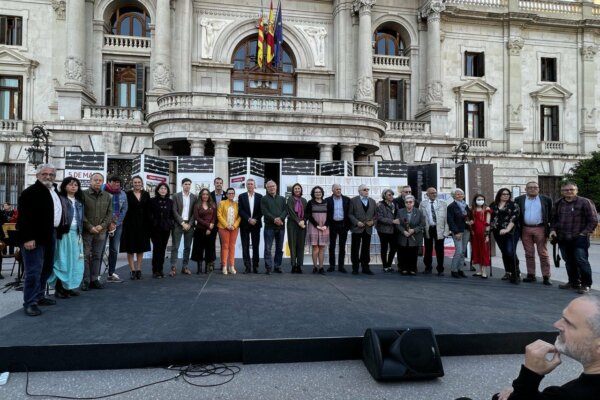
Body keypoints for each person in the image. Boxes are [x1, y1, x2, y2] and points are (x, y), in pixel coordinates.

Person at [492, 296, 600, 400]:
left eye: (569, 323)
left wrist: (529, 377)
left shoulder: (566, 396)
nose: (556, 324)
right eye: (562, 318)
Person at [17, 164, 62, 316]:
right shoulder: (30, 192)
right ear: (37, 176)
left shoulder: (53, 191)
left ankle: (39, 296)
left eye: (51, 174)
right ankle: (30, 303)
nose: (48, 176)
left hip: (50, 234)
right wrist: (28, 238)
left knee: (46, 268)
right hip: (34, 237)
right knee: (34, 271)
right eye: (44, 174)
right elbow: (24, 218)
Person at [550, 182, 597, 294]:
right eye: (566, 190)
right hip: (563, 238)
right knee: (569, 261)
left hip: (579, 238)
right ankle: (574, 282)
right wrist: (553, 230)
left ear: (576, 190)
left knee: (581, 261)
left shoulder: (585, 202)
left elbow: (593, 220)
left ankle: (586, 284)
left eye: (571, 189)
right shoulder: (558, 203)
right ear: (562, 192)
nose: (569, 191)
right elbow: (554, 219)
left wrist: (583, 233)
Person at [49, 177, 84, 298]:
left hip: (76, 234)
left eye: (76, 185)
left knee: (75, 262)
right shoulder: (60, 199)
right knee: (62, 260)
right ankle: (59, 288)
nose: (73, 187)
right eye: (70, 184)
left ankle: (69, 286)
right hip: (64, 233)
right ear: (64, 186)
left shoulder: (79, 201)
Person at [515, 181, 553, 286]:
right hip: (525, 229)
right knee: (529, 253)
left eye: (535, 187)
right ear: (525, 189)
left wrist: (551, 229)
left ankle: (546, 276)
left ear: (538, 189)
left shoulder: (546, 199)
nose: (533, 189)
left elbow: (551, 215)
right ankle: (531, 275)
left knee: (543, 253)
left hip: (540, 228)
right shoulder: (519, 200)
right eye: (530, 187)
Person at [82, 173, 112, 291]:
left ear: (102, 182)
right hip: (87, 231)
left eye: (100, 180)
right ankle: (85, 281)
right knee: (85, 256)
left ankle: (94, 279)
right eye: (95, 180)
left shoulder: (107, 196)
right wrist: (89, 226)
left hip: (101, 231)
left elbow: (109, 214)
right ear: (90, 181)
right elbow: (80, 213)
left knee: (97, 256)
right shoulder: (83, 194)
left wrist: (101, 226)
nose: (98, 182)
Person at [120, 175, 151, 280]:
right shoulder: (127, 194)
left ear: (142, 183)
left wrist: (149, 224)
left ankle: (139, 270)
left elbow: (148, 210)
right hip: (129, 224)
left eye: (139, 182)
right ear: (132, 183)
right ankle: (132, 270)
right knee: (130, 248)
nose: (137, 184)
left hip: (143, 224)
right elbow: (123, 208)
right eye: (135, 182)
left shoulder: (146, 194)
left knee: (140, 248)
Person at [490, 188, 521, 284]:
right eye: (503, 194)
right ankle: (508, 272)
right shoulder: (493, 205)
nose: (506, 196)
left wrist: (507, 229)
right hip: (497, 232)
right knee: (504, 251)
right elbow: (490, 218)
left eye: (507, 194)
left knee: (510, 251)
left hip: (511, 232)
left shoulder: (514, 205)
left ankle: (516, 272)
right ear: (499, 195)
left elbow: (514, 218)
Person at [103, 175, 128, 282]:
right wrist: (107, 223)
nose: (117, 184)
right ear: (109, 182)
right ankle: (95, 275)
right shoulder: (102, 191)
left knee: (114, 249)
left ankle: (111, 273)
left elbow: (124, 210)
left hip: (117, 225)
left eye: (118, 182)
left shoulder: (122, 194)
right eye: (114, 182)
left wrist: (115, 223)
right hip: (102, 225)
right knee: (100, 250)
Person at [419, 187, 449, 275]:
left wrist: (446, 231)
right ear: (427, 194)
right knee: (428, 249)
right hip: (428, 229)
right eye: (432, 193)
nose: (434, 194)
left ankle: (440, 269)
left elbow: (447, 219)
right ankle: (428, 268)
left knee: (440, 250)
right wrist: (421, 230)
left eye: (435, 192)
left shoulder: (443, 204)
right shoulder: (423, 204)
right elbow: (420, 218)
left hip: (439, 229)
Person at [170, 178, 197, 275]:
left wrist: (189, 224)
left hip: (189, 225)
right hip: (178, 224)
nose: (187, 186)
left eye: (189, 184)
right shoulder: (175, 196)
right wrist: (182, 223)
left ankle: (185, 267)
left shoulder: (194, 197)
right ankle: (173, 267)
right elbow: (174, 211)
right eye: (185, 184)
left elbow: (194, 212)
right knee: (175, 247)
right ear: (182, 185)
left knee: (187, 247)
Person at [348, 184, 377, 275]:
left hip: (368, 229)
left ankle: (365, 267)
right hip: (357, 228)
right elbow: (350, 214)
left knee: (366, 249)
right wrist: (357, 222)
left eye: (368, 189)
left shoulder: (372, 201)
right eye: (364, 189)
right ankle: (355, 268)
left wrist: (373, 222)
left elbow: (376, 215)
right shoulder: (353, 200)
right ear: (359, 191)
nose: (366, 191)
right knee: (355, 249)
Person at [261, 180, 287, 274]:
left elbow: (286, 210)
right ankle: (268, 267)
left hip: (281, 227)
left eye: (273, 186)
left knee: (279, 248)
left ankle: (277, 266)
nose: (272, 188)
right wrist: (275, 219)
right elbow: (264, 211)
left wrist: (281, 218)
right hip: (269, 227)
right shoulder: (264, 199)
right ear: (267, 188)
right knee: (268, 248)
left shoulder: (282, 199)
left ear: (276, 187)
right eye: (269, 186)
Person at [148, 183, 174, 278]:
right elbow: (149, 214)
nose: (163, 190)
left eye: (165, 188)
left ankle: (161, 269)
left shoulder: (170, 202)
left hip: (166, 228)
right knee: (157, 248)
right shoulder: (152, 201)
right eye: (161, 188)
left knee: (163, 249)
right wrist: (153, 223)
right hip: (155, 228)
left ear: (167, 191)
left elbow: (171, 215)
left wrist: (170, 223)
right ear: (158, 190)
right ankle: (155, 270)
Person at [238, 178, 263, 274]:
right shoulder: (241, 196)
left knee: (256, 246)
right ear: (246, 185)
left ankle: (255, 266)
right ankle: (247, 267)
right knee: (245, 246)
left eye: (251, 184)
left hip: (256, 224)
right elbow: (240, 210)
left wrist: (254, 219)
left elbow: (261, 210)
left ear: (254, 185)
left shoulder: (260, 197)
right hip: (245, 224)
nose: (250, 185)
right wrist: (249, 219)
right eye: (248, 184)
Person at [397, 195, 426, 275]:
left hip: (415, 236)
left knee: (413, 253)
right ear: (404, 203)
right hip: (403, 236)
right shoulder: (400, 211)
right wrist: (404, 231)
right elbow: (397, 224)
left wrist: (414, 230)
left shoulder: (419, 212)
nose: (408, 203)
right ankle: (404, 268)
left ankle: (413, 268)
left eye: (410, 202)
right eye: (407, 202)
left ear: (413, 203)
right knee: (403, 253)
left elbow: (422, 224)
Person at [325, 184, 351, 273]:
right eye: (336, 189)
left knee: (342, 246)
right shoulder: (327, 200)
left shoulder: (347, 199)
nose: (338, 191)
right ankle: (332, 266)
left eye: (339, 189)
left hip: (343, 225)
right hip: (332, 225)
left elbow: (350, 212)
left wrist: (348, 226)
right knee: (332, 246)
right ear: (332, 190)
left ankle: (341, 266)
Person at [191, 188, 217, 274]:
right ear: (201, 195)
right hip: (199, 230)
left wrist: (209, 228)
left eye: (207, 194)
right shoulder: (197, 205)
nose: (205, 196)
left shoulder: (213, 204)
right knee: (199, 249)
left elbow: (214, 217)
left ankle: (206, 268)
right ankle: (199, 269)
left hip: (210, 231)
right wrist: (208, 225)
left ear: (209, 195)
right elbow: (197, 217)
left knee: (209, 249)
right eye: (203, 194)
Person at [447, 188, 470, 279]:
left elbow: (469, 216)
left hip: (466, 230)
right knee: (459, 251)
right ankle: (454, 270)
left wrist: (470, 221)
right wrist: (456, 232)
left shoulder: (466, 205)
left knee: (463, 251)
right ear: (454, 196)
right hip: (458, 231)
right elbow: (450, 221)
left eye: (461, 194)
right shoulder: (451, 206)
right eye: (457, 194)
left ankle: (460, 269)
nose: (460, 195)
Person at [217, 187, 241, 275]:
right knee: (225, 246)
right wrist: (226, 225)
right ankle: (224, 266)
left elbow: (239, 216)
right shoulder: (222, 203)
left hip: (234, 229)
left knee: (232, 246)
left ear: (234, 195)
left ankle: (231, 266)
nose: (231, 195)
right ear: (226, 194)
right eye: (229, 193)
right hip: (223, 228)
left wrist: (234, 226)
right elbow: (219, 215)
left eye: (232, 193)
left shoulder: (237, 204)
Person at [306, 185, 329, 274]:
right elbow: (308, 215)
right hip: (313, 227)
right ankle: (315, 267)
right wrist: (317, 225)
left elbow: (330, 215)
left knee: (322, 248)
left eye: (319, 192)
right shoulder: (310, 202)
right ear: (313, 194)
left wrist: (325, 225)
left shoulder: (326, 202)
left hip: (324, 228)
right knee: (315, 248)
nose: (318, 193)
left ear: (322, 193)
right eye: (316, 192)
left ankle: (321, 267)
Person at [376, 189, 400, 273]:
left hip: (394, 230)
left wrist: (397, 221)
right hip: (383, 230)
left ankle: (389, 265)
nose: (391, 196)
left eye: (392, 194)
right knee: (384, 248)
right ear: (384, 196)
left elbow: (397, 214)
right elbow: (380, 218)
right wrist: (392, 221)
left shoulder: (395, 204)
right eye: (389, 195)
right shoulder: (380, 205)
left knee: (394, 247)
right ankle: (385, 266)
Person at [286, 183, 307, 274]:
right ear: (293, 190)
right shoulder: (290, 199)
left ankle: (299, 266)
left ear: (301, 190)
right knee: (292, 245)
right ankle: (293, 265)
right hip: (292, 224)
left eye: (299, 188)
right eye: (295, 188)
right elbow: (291, 212)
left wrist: (303, 221)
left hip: (302, 225)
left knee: (300, 245)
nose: (297, 190)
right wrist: (299, 222)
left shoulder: (304, 200)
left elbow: (307, 213)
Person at [469, 194, 492, 279]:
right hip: (475, 233)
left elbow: (488, 223)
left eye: (482, 199)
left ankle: (484, 271)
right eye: (479, 199)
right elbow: (470, 220)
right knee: (476, 251)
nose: (480, 201)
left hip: (483, 233)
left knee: (484, 251)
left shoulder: (487, 209)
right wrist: (469, 223)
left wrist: (487, 235)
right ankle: (480, 270)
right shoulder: (472, 209)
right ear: (475, 200)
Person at [209, 177, 227, 272]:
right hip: (212, 222)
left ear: (222, 184)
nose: (219, 184)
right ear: (214, 184)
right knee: (211, 243)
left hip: (223, 223)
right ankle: (211, 263)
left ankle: (223, 263)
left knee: (223, 244)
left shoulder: (227, 195)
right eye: (217, 183)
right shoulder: (210, 195)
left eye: (220, 183)